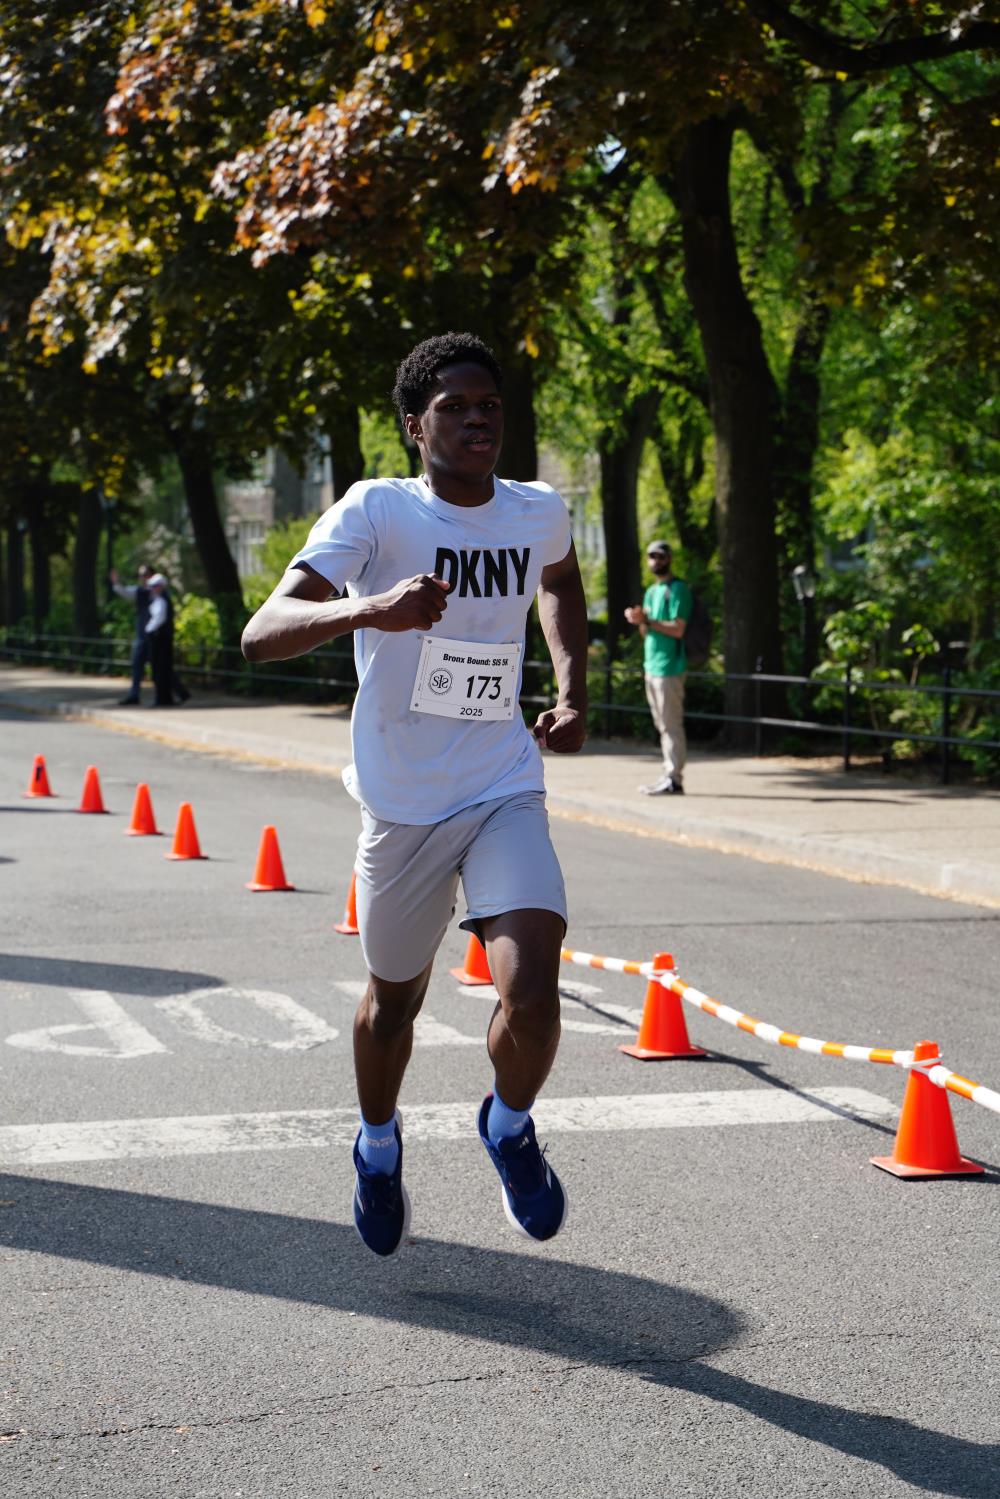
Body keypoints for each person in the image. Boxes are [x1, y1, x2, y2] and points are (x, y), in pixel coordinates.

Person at [242, 332, 588, 1257]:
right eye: (455, 406)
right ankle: (377, 1144)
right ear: (414, 425)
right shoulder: (378, 510)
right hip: (402, 803)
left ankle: (508, 1125)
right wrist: (372, 608)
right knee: (392, 1004)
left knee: (533, 991)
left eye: (490, 406)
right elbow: (262, 630)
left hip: (503, 780)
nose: (478, 419)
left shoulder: (537, 509)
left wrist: (572, 690)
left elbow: (559, 579)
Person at [624, 540, 692, 795]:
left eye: (660, 556)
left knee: (671, 725)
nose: (656, 561)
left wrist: (648, 620)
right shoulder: (652, 591)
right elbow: (646, 631)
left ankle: (674, 779)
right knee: (663, 725)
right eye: (652, 556)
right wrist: (639, 620)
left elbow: (678, 629)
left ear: (669, 559)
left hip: (670, 667)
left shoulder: (678, 589)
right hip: (651, 666)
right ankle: (668, 774)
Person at [109, 563, 152, 705]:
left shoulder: (158, 591)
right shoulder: (139, 591)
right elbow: (125, 592)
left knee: (161, 666)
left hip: (154, 636)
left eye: (145, 575)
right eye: (140, 575)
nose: (142, 578)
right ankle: (134, 694)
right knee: (137, 664)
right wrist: (116, 583)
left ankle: (179, 693)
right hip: (142, 635)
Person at [145, 573, 190, 707]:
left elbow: (158, 619)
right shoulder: (160, 599)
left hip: (160, 639)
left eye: (155, 586)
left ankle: (164, 698)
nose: (152, 588)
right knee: (163, 669)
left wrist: (148, 629)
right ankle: (169, 697)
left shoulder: (162, 601)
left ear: (161, 586)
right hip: (161, 638)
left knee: (160, 670)